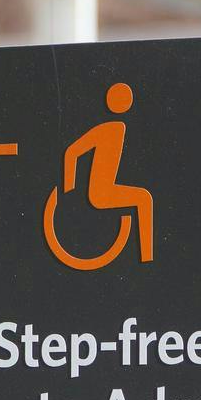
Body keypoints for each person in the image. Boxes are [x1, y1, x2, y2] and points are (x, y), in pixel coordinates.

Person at [46, 82, 155, 269]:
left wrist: (69, 186)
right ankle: (147, 257)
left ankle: (147, 257)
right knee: (143, 199)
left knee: (144, 198)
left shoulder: (115, 128)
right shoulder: (108, 129)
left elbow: (72, 153)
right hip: (100, 194)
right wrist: (68, 188)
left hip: (101, 191)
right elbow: (71, 152)